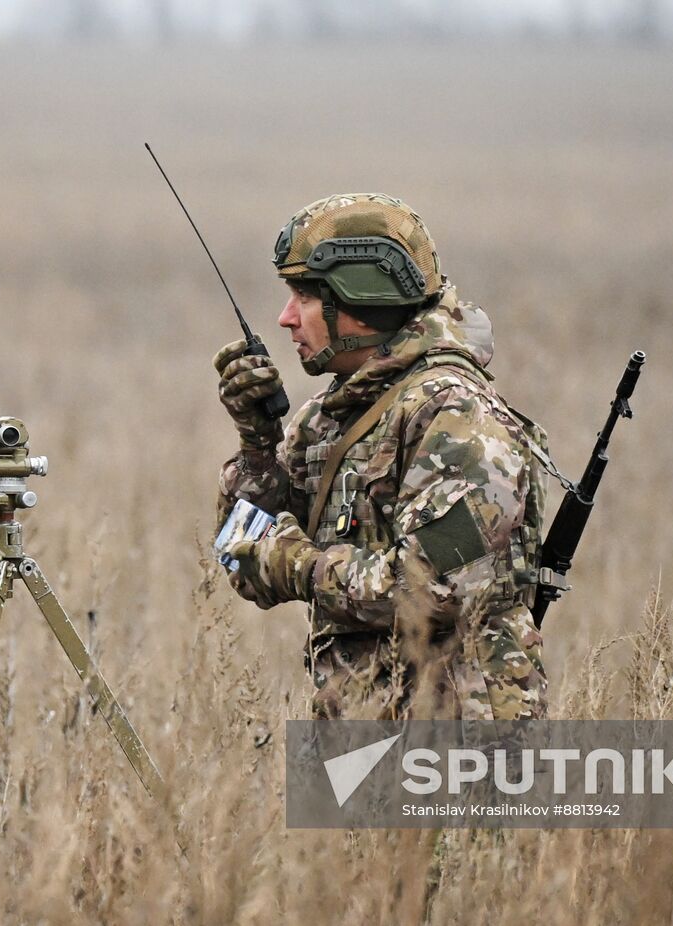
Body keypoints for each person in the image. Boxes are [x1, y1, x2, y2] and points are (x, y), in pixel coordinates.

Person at [214, 193, 550, 721]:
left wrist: (301, 566)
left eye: (303, 296)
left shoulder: (456, 418)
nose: (284, 318)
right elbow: (243, 560)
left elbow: (434, 586)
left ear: (362, 302)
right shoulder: (329, 416)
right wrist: (257, 447)